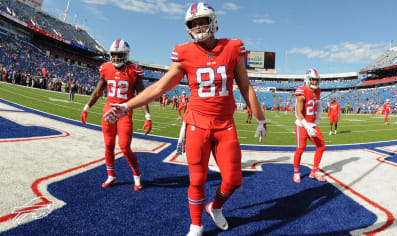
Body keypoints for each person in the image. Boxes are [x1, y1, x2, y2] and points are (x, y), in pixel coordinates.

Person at [103, 3, 267, 235]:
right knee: (197, 180)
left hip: (225, 125)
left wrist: (260, 118)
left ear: (213, 21)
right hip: (196, 124)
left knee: (233, 180)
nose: (198, 27)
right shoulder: (184, 52)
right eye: (193, 23)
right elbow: (161, 86)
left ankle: (215, 207)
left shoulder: (233, 47)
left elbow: (245, 85)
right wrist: (126, 106)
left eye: (202, 21)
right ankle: (196, 225)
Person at [80, 39, 152, 191]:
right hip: (108, 112)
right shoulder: (105, 68)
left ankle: (137, 176)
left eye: (120, 55)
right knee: (108, 145)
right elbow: (97, 91)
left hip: (125, 112)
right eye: (114, 55)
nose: (117, 59)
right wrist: (87, 107)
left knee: (125, 147)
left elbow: (142, 94)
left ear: (126, 55)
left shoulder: (134, 70)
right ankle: (111, 176)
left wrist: (147, 116)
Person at [293, 69, 326, 183]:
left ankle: (314, 171)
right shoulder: (301, 90)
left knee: (321, 146)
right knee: (301, 148)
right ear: (307, 80)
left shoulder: (318, 91)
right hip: (302, 124)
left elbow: (318, 105)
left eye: (316, 80)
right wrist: (307, 126)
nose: (315, 82)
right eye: (312, 79)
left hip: (312, 124)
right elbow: (298, 112)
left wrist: (317, 121)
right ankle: (296, 172)